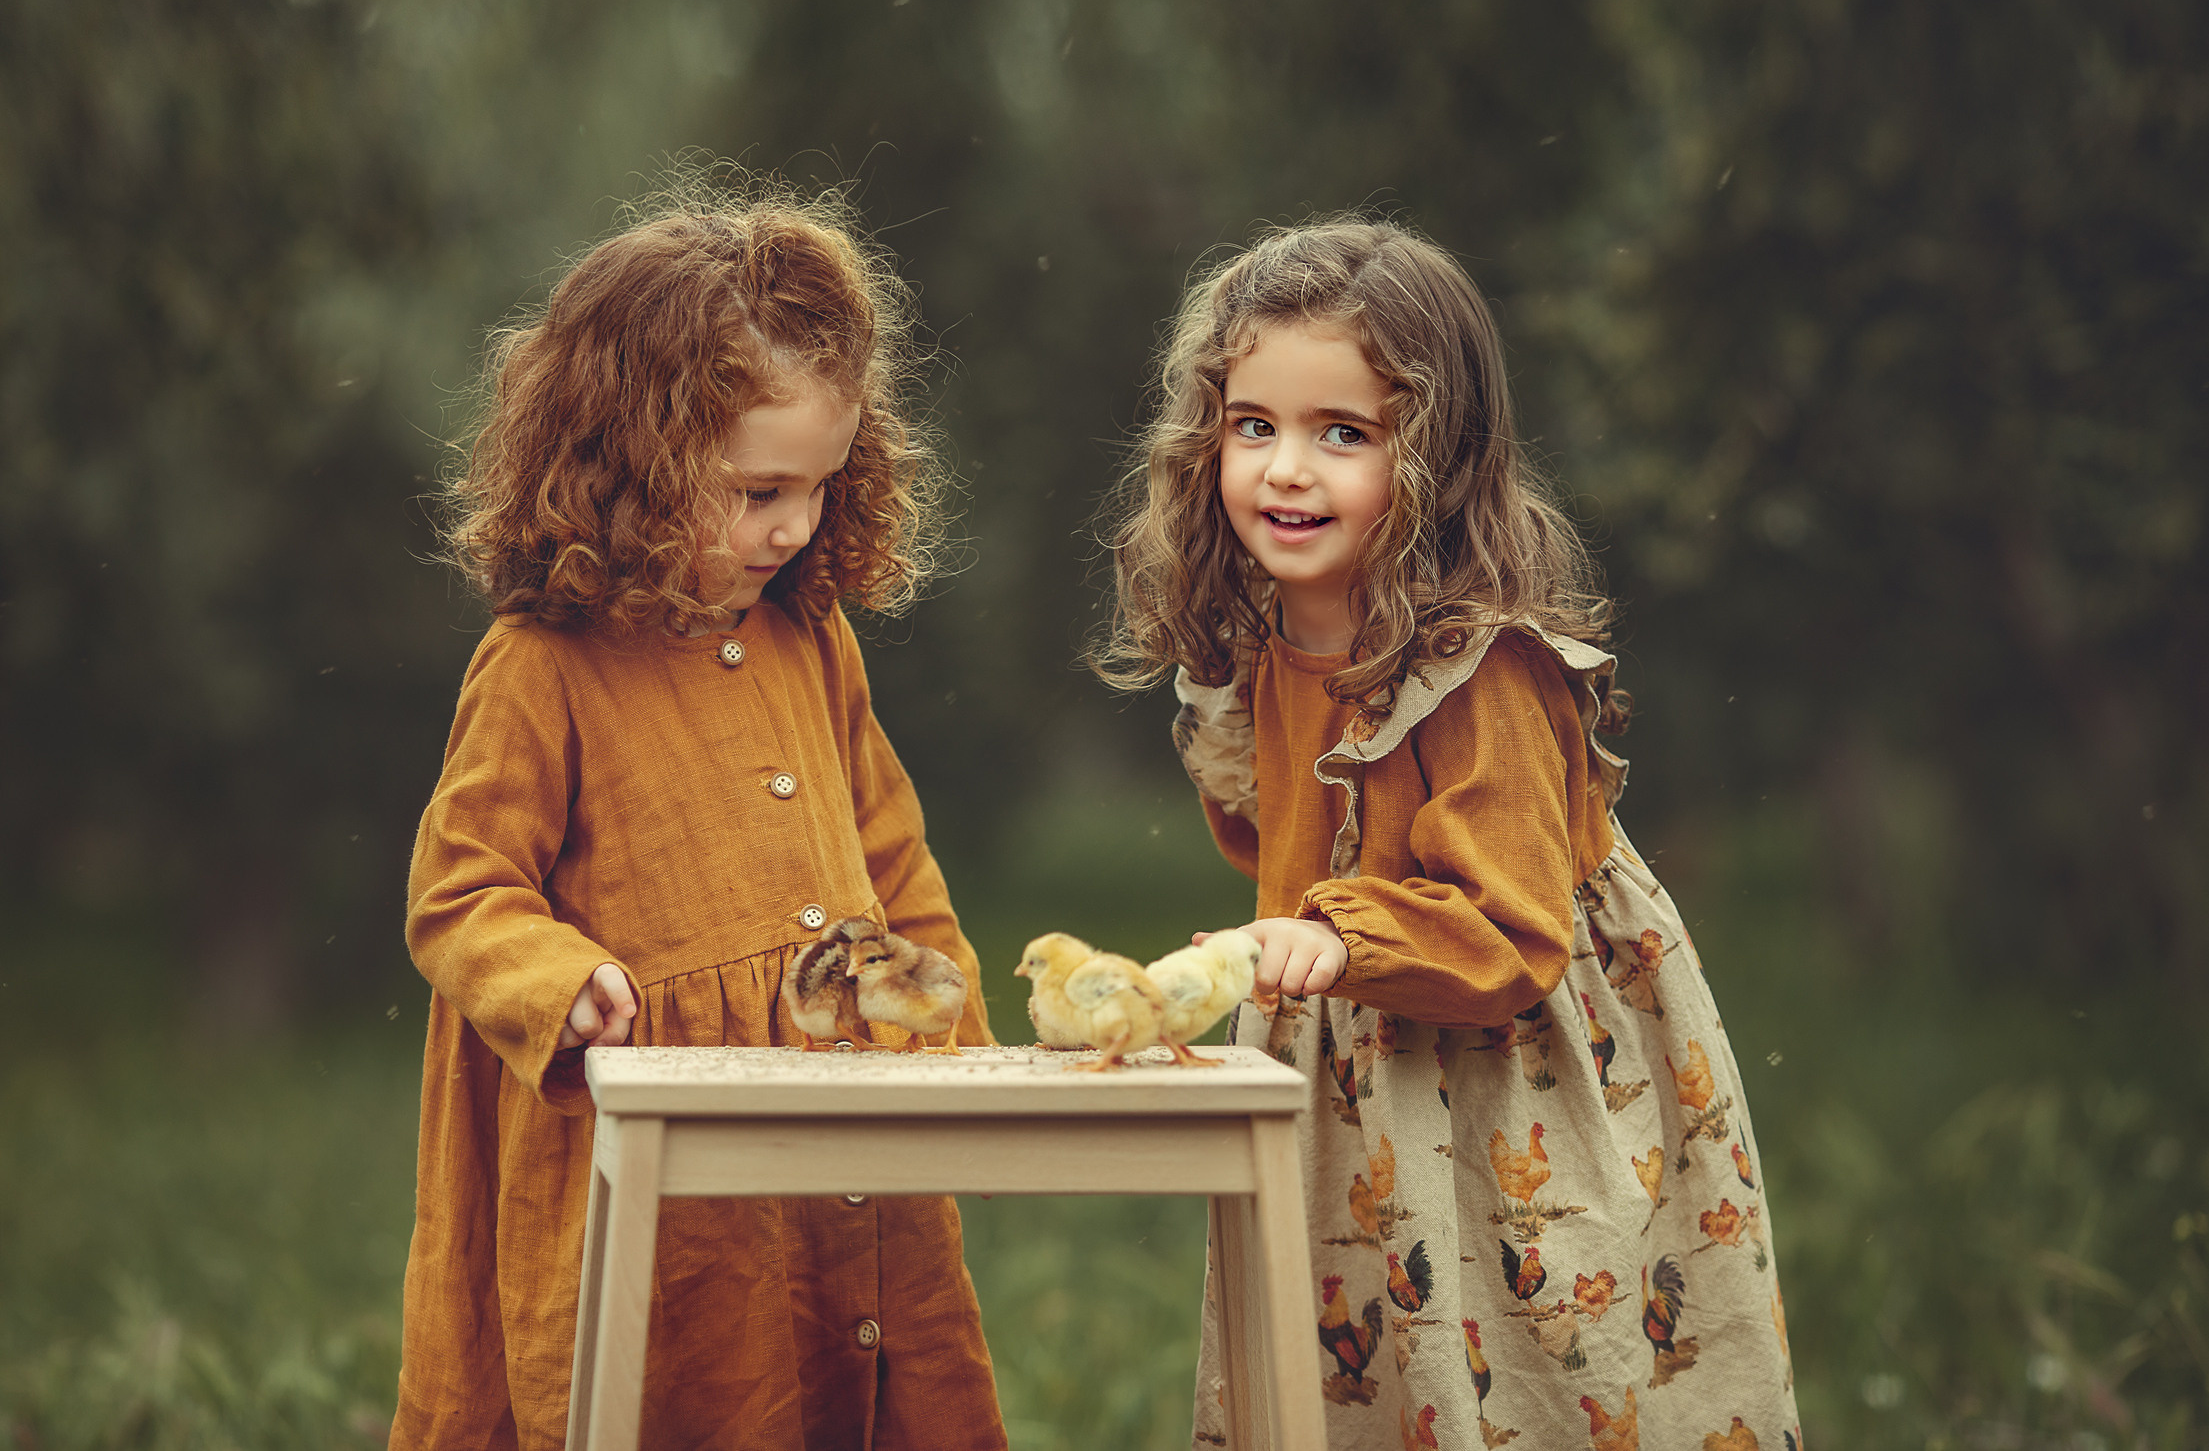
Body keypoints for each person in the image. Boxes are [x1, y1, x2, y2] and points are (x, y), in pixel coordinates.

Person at [1099, 219, 1799, 1448]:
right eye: (1253, 426)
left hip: (1509, 1077)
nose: (1285, 470)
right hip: (1361, 1064)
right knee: (1350, 1351)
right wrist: (1305, 921)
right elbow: (1304, 843)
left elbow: (1509, 928)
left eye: (1344, 435)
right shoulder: (1274, 645)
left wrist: (1330, 932)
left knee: (1530, 1370)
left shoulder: (1482, 672)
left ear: (1433, 458)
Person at [390, 183, 1005, 1450]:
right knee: (708, 1393)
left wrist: (953, 1037)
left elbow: (891, 853)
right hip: (659, 1164)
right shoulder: (543, 663)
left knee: (863, 1383)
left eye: (821, 485)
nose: (792, 523)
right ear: (625, 460)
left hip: (841, 1137)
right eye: (753, 488)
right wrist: (558, 980)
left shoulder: (811, 639)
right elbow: (459, 891)